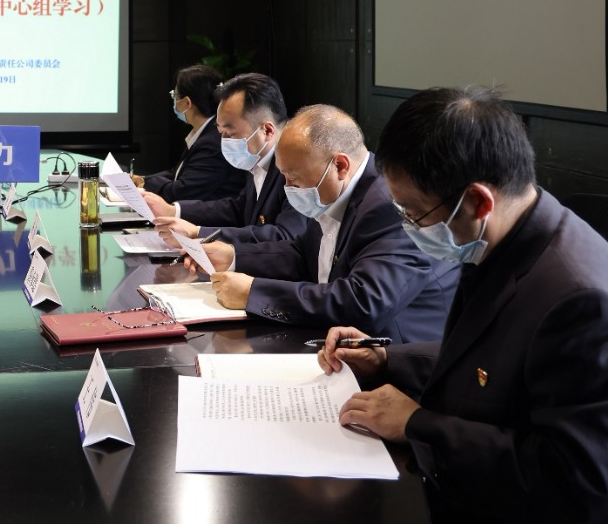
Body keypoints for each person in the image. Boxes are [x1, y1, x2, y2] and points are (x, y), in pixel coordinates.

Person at [319, 87, 608, 524]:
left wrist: (417, 424)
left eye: (414, 212)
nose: (408, 226)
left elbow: (574, 481)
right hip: (488, 521)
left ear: (479, 200)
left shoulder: (586, 304)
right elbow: (492, 359)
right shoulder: (508, 239)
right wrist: (386, 359)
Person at [206, 104, 458, 344]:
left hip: (394, 352)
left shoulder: (388, 205)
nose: (287, 188)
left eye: (293, 178)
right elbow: (303, 253)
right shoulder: (334, 192)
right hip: (337, 338)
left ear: (340, 165)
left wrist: (254, 293)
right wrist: (234, 257)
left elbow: (365, 301)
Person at [145, 72, 312, 249]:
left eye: (231, 134)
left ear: (267, 131)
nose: (223, 142)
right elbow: (238, 209)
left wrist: (198, 232)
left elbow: (284, 235)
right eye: (220, 133)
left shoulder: (297, 167)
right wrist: (175, 211)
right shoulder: (259, 159)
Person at [130, 64, 246, 204]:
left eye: (174, 95)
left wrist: (146, 184)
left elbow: (182, 192)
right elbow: (177, 173)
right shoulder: (204, 132)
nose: (173, 100)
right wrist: (143, 179)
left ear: (186, 102)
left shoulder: (212, 142)